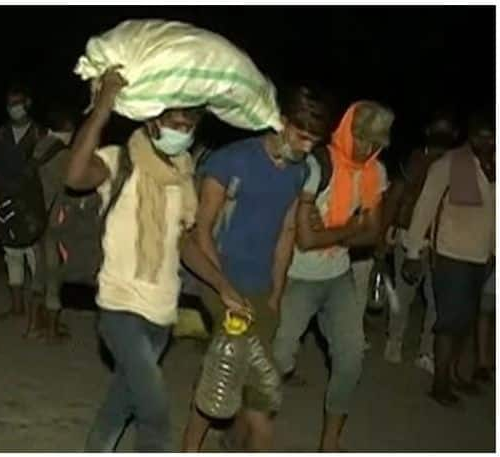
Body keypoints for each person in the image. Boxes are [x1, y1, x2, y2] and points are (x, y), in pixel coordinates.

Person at [66, 68, 249, 452]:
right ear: (152, 124)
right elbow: (76, 174)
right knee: (155, 411)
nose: (181, 131)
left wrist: (223, 285)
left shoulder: (183, 177)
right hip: (119, 309)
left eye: (188, 125)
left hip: (161, 314)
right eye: (174, 123)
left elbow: (182, 245)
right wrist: (102, 109)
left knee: (120, 405)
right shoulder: (120, 161)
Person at [181, 85, 334, 451]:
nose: (307, 148)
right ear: (281, 122)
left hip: (260, 284)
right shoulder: (232, 160)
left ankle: (232, 443)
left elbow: (285, 231)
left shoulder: (299, 172)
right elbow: (201, 231)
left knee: (255, 385)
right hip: (218, 275)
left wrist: (278, 291)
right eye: (302, 136)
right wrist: (223, 288)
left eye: (314, 141)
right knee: (227, 369)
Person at [272, 101, 393, 451]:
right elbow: (306, 241)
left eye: (374, 142)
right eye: (360, 138)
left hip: (338, 275)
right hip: (298, 274)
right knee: (279, 357)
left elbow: (374, 234)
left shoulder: (375, 174)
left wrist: (334, 232)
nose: (366, 149)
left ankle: (330, 442)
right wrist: (351, 228)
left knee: (351, 356)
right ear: (344, 129)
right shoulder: (316, 164)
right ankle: (246, 422)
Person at [402, 111, 495, 407]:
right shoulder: (452, 163)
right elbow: (425, 206)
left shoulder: (493, 167)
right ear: (470, 133)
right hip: (450, 254)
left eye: (491, 134)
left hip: (483, 255)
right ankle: (440, 382)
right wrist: (414, 252)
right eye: (481, 133)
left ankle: (454, 374)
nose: (487, 139)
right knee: (449, 321)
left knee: (465, 322)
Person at [377, 111, 459, 369]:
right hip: (410, 236)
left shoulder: (458, 165)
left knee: (436, 300)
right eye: (439, 129)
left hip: (443, 242)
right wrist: (385, 232)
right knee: (404, 294)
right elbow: (396, 196)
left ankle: (426, 351)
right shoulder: (416, 160)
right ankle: (395, 341)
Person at [0, 84, 45, 318]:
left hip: (34, 203)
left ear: (27, 103)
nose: (15, 108)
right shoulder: (0, 136)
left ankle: (40, 311)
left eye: (18, 103)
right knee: (12, 253)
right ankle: (17, 307)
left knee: (36, 256)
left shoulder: (40, 134)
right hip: (6, 202)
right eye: (10, 104)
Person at [26, 107, 77, 341]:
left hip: (34, 216)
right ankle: (52, 329)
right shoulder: (63, 154)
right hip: (54, 219)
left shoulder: (38, 146)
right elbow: (70, 185)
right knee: (54, 273)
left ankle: (34, 324)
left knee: (38, 271)